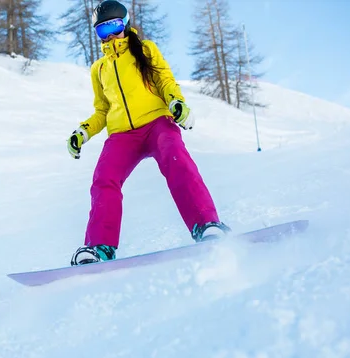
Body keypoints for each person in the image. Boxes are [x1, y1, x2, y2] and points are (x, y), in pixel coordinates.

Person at [67, 0, 230, 265]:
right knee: (104, 179)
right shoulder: (99, 70)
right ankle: (99, 247)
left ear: (126, 23)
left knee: (175, 157)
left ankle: (206, 224)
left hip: (157, 123)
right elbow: (102, 111)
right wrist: (82, 133)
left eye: (115, 26)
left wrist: (176, 102)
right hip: (122, 135)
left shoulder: (145, 50)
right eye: (102, 30)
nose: (110, 35)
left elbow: (165, 80)